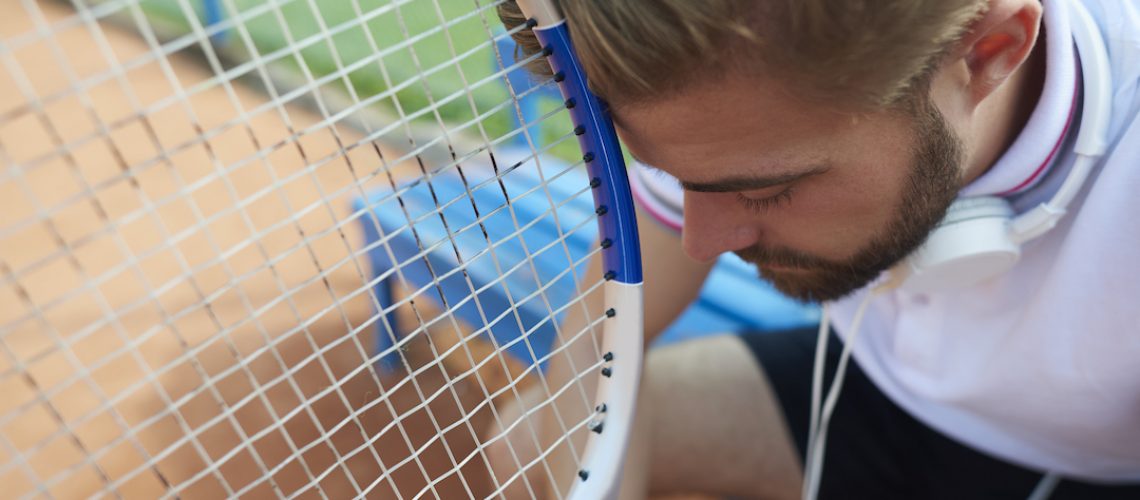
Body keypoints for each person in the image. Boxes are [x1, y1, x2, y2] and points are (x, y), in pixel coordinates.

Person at [490, 0, 1140, 498]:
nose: (700, 239)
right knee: (530, 441)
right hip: (871, 396)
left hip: (1098, 467)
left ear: (989, 51)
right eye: (674, 178)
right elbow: (593, 351)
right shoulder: (722, 125)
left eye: (769, 191)